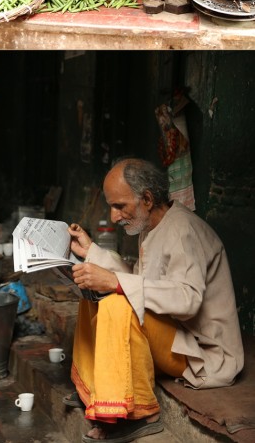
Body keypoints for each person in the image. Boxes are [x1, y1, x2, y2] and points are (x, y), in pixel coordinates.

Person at [66, 157, 243, 443]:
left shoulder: (183, 231)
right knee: (93, 292)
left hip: (202, 353)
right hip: (174, 337)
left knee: (115, 301)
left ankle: (137, 414)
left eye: (119, 206)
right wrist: (92, 254)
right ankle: (93, 387)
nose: (113, 217)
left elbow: (187, 300)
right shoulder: (151, 225)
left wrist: (114, 282)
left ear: (147, 198)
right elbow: (143, 283)